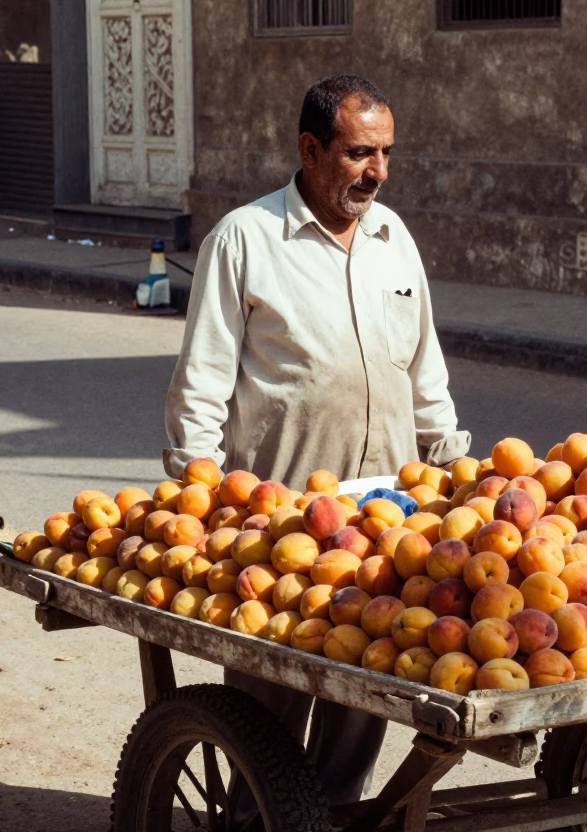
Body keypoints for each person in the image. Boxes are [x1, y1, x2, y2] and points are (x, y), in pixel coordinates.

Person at [163, 75, 470, 806]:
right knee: (264, 715)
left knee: (362, 708)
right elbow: (201, 383)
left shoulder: (395, 240)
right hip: (280, 527)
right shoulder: (246, 238)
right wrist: (201, 495)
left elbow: (426, 377)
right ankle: (253, 819)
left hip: (389, 527)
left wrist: (459, 467)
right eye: (361, 153)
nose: (379, 172)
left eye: (387, 154)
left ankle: (330, 817)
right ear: (310, 148)